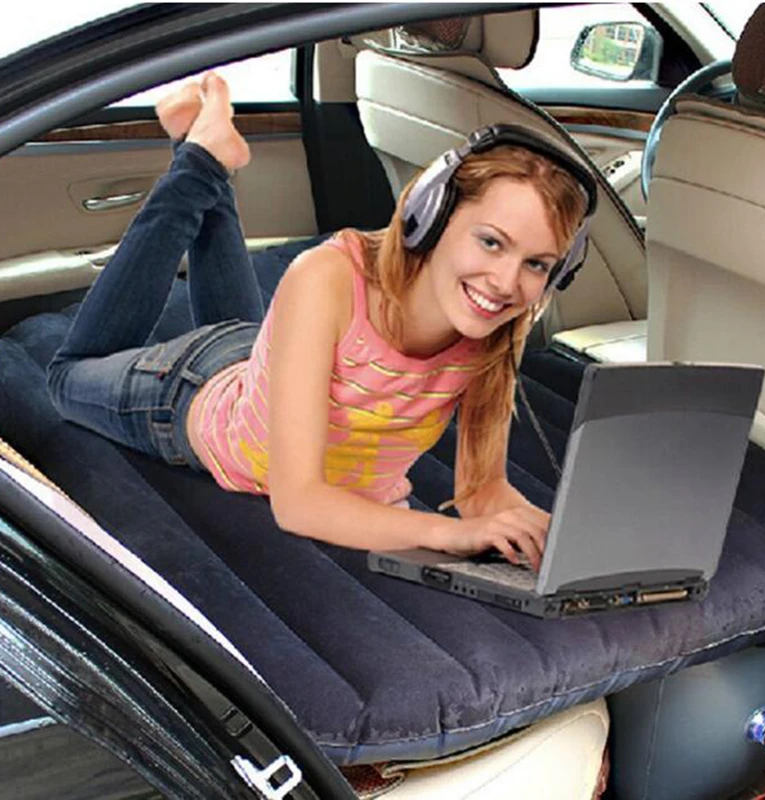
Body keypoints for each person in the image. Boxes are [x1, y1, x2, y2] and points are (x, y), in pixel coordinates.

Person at [47, 73, 595, 569]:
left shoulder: (494, 329)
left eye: (537, 264)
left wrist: (564, 547)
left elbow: (481, 492)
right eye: (491, 242)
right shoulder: (328, 277)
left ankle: (206, 143)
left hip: (268, 368)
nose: (505, 281)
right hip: (189, 396)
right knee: (65, 376)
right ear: (431, 215)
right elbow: (299, 503)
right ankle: (198, 163)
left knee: (243, 339)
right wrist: (450, 533)